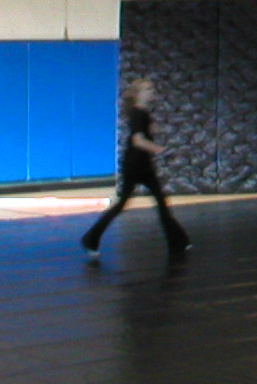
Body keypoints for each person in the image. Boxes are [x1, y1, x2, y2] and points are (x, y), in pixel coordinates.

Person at [81, 78, 190, 258]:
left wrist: (152, 131)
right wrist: (161, 150)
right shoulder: (137, 113)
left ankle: (179, 241)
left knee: (161, 203)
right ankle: (90, 238)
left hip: (143, 165)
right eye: (148, 89)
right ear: (138, 94)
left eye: (151, 88)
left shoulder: (142, 113)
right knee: (125, 204)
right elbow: (138, 141)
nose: (152, 91)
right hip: (134, 166)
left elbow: (143, 135)